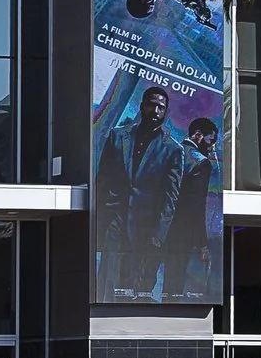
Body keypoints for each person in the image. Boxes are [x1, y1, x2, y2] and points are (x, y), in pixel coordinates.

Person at [93, 84, 185, 300]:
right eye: (152, 105)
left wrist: (159, 234)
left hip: (146, 226)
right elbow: (102, 180)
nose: (156, 111)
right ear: (143, 106)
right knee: (106, 280)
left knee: (134, 284)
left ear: (165, 111)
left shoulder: (173, 149)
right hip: (114, 218)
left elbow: (170, 198)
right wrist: (100, 217)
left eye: (161, 107)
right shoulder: (118, 136)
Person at [163, 115, 221, 300]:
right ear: (198, 135)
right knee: (175, 283)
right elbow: (196, 205)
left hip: (156, 226)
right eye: (211, 141)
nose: (212, 147)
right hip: (181, 231)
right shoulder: (201, 163)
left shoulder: (170, 150)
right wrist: (202, 242)